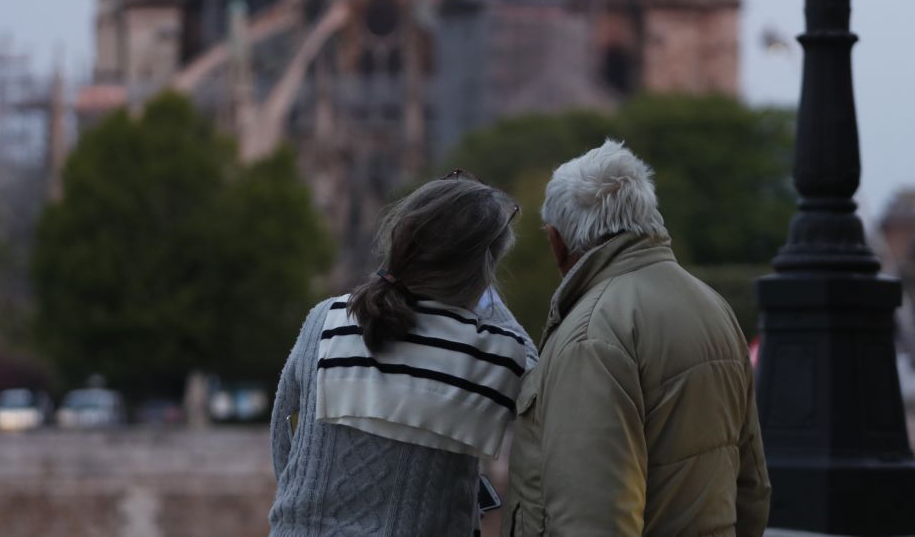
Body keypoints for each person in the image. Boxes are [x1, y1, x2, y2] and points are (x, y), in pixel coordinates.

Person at [504, 140, 771, 536]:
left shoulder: (590, 334)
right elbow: (752, 487)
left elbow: (592, 519)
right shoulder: (714, 307)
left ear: (557, 242)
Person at [270, 171, 537, 537]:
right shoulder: (497, 353)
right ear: (482, 266)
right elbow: (542, 392)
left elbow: (282, 434)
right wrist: (486, 292)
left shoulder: (326, 319)